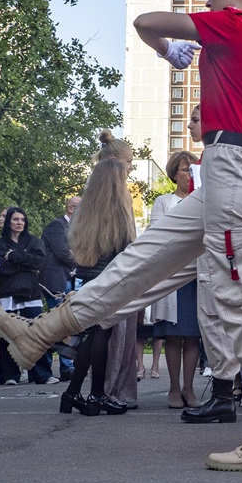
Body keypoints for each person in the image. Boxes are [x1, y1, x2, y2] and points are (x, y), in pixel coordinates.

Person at [0, 0, 242, 470]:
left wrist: (167, 47)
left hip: (233, 172)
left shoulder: (236, 22)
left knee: (241, 300)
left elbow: (144, 22)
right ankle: (38, 336)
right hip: (224, 172)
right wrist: (178, 50)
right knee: (137, 265)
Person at [58, 157, 138, 416]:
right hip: (109, 277)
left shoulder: (84, 208)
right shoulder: (119, 210)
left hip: (85, 277)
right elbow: (127, 249)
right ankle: (96, 395)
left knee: (91, 335)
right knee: (101, 334)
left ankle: (72, 394)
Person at [150, 151, 202, 409]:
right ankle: (172, 387)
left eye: (193, 170)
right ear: (174, 173)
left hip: (196, 275)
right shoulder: (164, 201)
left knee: (193, 335)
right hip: (172, 276)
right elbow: (157, 235)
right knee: (172, 335)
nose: (190, 175)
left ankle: (189, 388)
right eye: (185, 170)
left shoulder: (203, 200)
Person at [0, 207, 53, 385]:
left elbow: (40, 262)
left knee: (36, 333)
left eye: (22, 220)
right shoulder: (0, 244)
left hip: (30, 293)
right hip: (7, 293)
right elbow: (2, 267)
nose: (20, 223)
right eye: (16, 219)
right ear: (9, 221)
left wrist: (15, 257)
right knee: (7, 335)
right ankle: (9, 375)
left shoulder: (34, 242)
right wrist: (25, 261)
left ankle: (42, 374)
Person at [40, 196, 80, 381]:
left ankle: (68, 365)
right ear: (71, 209)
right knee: (58, 323)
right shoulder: (56, 226)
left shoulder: (78, 229)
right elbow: (63, 253)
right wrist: (81, 259)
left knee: (69, 322)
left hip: (72, 279)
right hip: (56, 281)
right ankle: (62, 367)